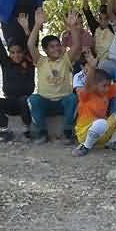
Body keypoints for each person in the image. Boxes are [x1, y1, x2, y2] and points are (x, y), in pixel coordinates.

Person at [26, 8, 81, 143]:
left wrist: (72, 27)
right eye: (52, 46)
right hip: (46, 103)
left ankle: (67, 132)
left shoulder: (65, 60)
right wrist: (37, 25)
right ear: (45, 50)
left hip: (63, 103)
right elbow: (30, 45)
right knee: (33, 99)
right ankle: (42, 132)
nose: (56, 48)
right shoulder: (41, 61)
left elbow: (76, 44)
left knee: (72, 98)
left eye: (57, 45)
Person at [0, 13, 34, 141]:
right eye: (12, 52)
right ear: (9, 53)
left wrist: (26, 29)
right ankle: (5, 130)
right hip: (10, 102)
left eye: (19, 52)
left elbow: (31, 46)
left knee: (23, 100)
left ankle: (27, 129)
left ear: (23, 52)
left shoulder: (29, 62)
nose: (16, 55)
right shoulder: (6, 63)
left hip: (26, 104)